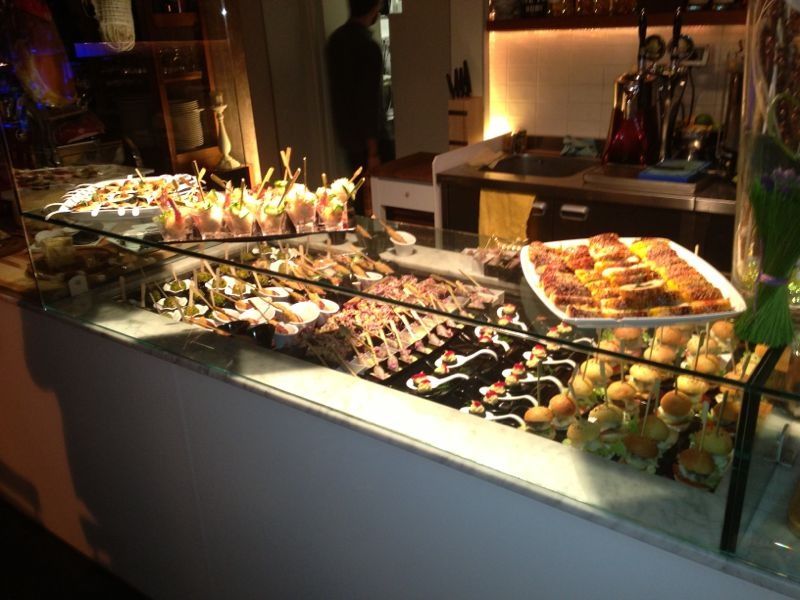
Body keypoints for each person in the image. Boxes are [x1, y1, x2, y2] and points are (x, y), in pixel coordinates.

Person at [327, 0, 392, 215]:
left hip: (348, 137)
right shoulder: (368, 47)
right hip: (371, 140)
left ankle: (363, 231)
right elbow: (369, 101)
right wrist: (373, 151)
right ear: (374, 7)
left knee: (358, 194)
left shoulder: (335, 41)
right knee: (382, 199)